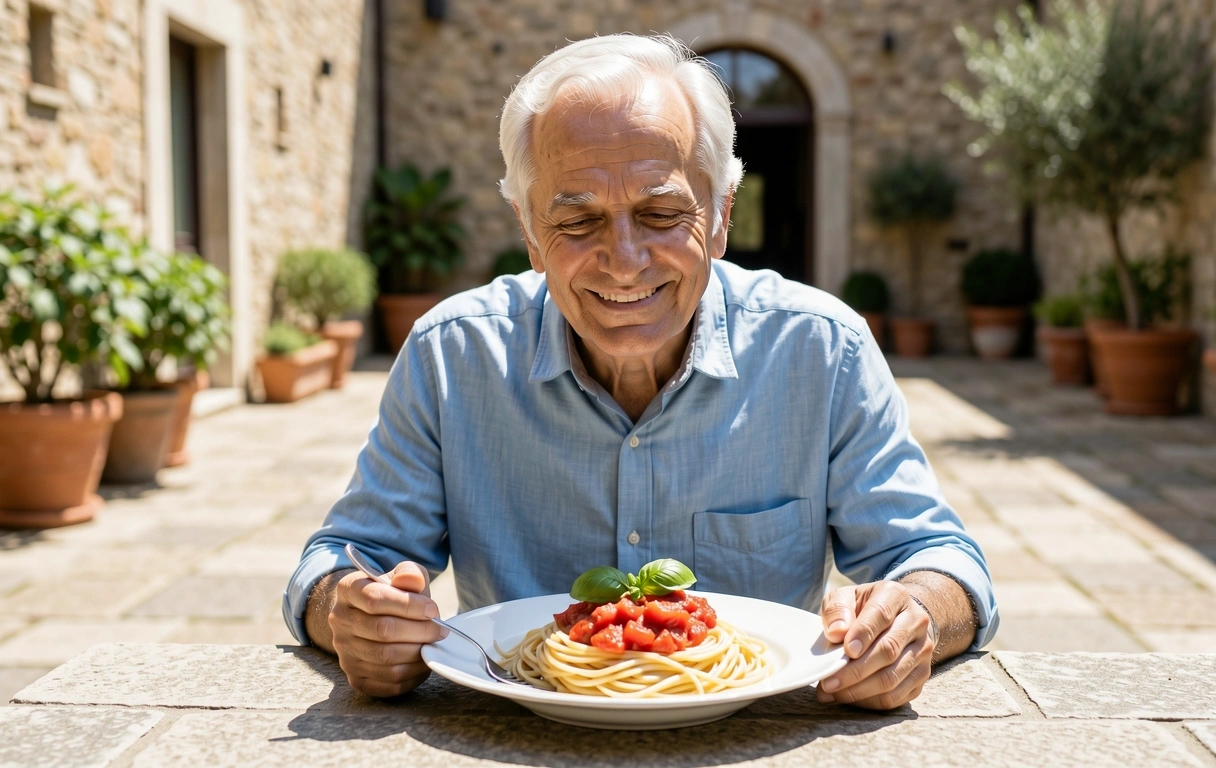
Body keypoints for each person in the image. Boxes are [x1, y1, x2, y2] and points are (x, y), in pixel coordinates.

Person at [284, 34, 998, 710]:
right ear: (529, 231)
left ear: (720, 216)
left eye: (661, 214)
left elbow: (938, 559)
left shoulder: (821, 350)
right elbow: (340, 563)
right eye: (578, 222)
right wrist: (355, 614)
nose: (624, 262)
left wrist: (912, 614)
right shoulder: (452, 355)